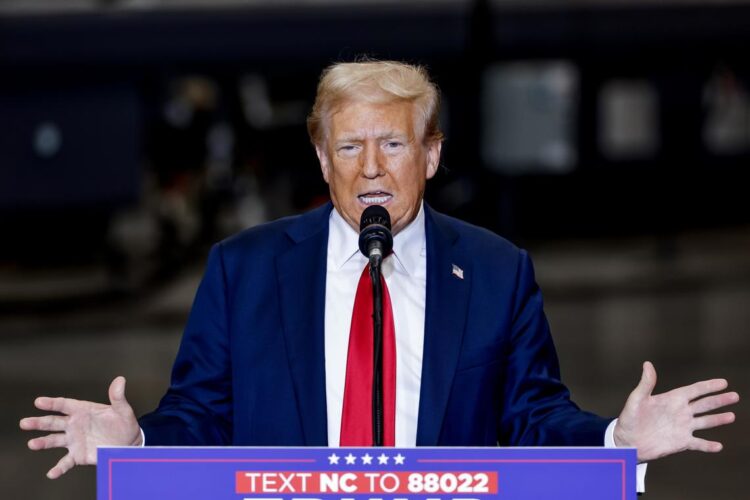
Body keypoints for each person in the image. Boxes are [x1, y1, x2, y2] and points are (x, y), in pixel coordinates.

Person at [20, 61, 738, 487]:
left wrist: (617, 442)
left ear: (429, 155)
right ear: (321, 157)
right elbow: (202, 420)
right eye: (350, 145)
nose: (370, 168)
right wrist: (137, 446)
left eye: (393, 143)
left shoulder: (494, 271)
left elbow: (532, 419)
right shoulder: (244, 270)